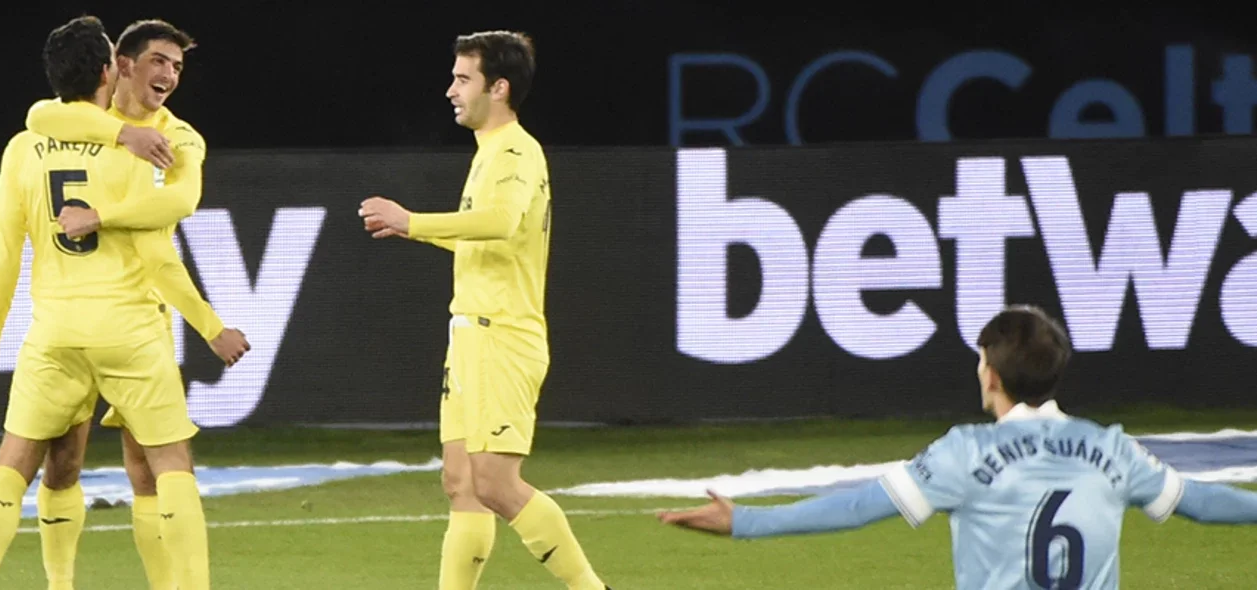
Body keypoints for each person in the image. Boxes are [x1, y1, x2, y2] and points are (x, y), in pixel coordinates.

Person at [657, 305, 1257, 588]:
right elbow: (1205, 502)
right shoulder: (1113, 449)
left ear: (991, 377)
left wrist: (746, 522)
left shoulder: (964, 454)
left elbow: (855, 507)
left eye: (979, 361)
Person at [0, 16, 244, 590]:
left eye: (177, 65)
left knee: (18, 465)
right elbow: (160, 253)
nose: (169, 74)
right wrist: (210, 325)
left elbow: (3, 251)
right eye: (157, 61)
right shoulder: (136, 150)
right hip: (130, 328)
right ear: (115, 67)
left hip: (54, 331)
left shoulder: (29, 143)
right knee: (165, 468)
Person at [358, 30, 610, 590]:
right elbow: (485, 236)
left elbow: (501, 221)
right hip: (470, 334)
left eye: (462, 78)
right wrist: (414, 233)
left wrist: (413, 220)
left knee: (496, 483)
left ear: (498, 88)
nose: (450, 89)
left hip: (504, 334)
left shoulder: (517, 149)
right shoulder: (488, 153)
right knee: (461, 482)